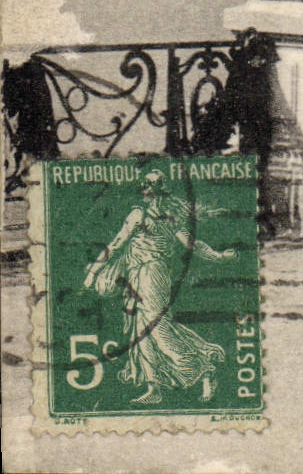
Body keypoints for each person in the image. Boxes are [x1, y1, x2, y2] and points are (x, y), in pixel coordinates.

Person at [83, 170, 236, 404]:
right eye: (149, 193)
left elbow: (192, 244)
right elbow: (116, 244)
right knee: (140, 332)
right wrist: (94, 271)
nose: (153, 197)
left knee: (159, 330)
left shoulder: (170, 218)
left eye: (156, 193)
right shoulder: (137, 214)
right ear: (145, 195)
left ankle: (204, 369)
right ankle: (153, 388)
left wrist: (218, 256)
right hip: (135, 275)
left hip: (155, 275)